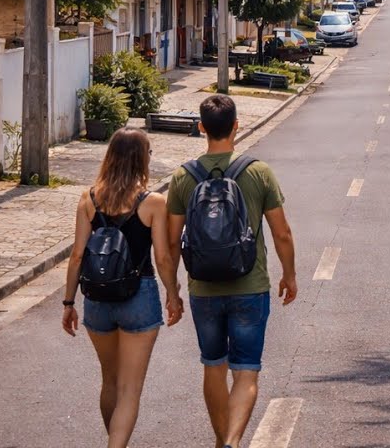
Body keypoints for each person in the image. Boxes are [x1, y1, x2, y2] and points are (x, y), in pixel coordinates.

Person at [167, 94, 297, 448]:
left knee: (213, 366)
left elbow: (170, 243)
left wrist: (172, 291)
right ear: (236, 126)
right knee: (246, 371)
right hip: (250, 286)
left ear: (201, 128)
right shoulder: (257, 172)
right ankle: (233, 441)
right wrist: (289, 274)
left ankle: (221, 440)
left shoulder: (183, 177)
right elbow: (282, 232)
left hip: (203, 290)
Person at [61, 127, 182, 448]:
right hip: (138, 297)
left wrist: (68, 303)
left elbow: (77, 256)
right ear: (142, 159)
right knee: (130, 390)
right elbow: (163, 257)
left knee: (110, 381)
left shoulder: (89, 199)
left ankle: (115, 440)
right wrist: (173, 294)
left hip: (97, 300)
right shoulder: (152, 202)